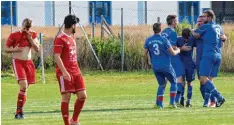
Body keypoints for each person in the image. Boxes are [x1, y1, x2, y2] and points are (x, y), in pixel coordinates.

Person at [54, 14, 86, 125]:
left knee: (82, 96)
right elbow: (57, 56)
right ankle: (67, 123)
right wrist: (64, 72)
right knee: (66, 97)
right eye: (75, 24)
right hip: (65, 72)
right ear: (72, 25)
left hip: (76, 71)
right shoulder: (60, 38)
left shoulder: (72, 37)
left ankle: (74, 120)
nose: (75, 26)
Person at [4, 18, 40, 119]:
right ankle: (19, 111)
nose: (26, 29)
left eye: (28, 27)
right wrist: (14, 50)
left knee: (24, 88)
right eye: (25, 27)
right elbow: (6, 48)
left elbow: (37, 49)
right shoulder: (14, 34)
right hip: (18, 62)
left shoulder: (33, 34)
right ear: (22, 25)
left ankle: (19, 111)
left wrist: (30, 39)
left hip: (28, 63)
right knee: (23, 85)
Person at [191, 10, 227, 107]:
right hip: (218, 55)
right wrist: (225, 38)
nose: (203, 18)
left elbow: (195, 35)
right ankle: (208, 102)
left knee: (203, 78)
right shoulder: (219, 27)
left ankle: (219, 97)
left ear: (210, 17)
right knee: (209, 80)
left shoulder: (206, 26)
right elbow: (224, 37)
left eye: (205, 16)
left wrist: (191, 30)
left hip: (208, 55)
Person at [144, 22, 181, 109]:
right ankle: (172, 103)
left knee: (162, 84)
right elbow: (172, 53)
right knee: (174, 82)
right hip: (166, 66)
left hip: (155, 67)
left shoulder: (148, 40)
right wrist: (178, 50)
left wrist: (148, 63)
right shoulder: (164, 40)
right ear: (161, 30)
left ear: (153, 30)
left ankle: (159, 104)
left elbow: (144, 54)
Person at [161, 15, 191, 107]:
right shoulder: (173, 32)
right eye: (176, 21)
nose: (177, 22)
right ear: (173, 22)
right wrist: (181, 48)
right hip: (173, 58)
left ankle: (159, 103)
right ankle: (176, 101)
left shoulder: (164, 31)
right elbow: (172, 46)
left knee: (164, 81)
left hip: (164, 58)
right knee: (180, 79)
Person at [177, 28, 196, 107]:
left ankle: (184, 99)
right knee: (188, 83)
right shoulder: (192, 39)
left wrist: (180, 48)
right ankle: (187, 100)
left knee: (183, 82)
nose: (185, 40)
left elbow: (173, 47)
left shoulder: (178, 39)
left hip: (184, 63)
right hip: (188, 64)